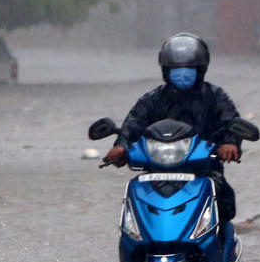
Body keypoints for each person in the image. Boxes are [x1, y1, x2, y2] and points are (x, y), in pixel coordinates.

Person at [105, 33, 245, 243]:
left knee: (223, 194)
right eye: (177, 70)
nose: (183, 74)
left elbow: (230, 121)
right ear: (166, 71)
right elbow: (133, 124)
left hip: (203, 169)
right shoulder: (152, 99)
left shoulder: (215, 97)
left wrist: (229, 143)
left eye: (189, 69)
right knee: (135, 195)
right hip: (156, 171)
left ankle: (222, 248)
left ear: (200, 69)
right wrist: (121, 147)